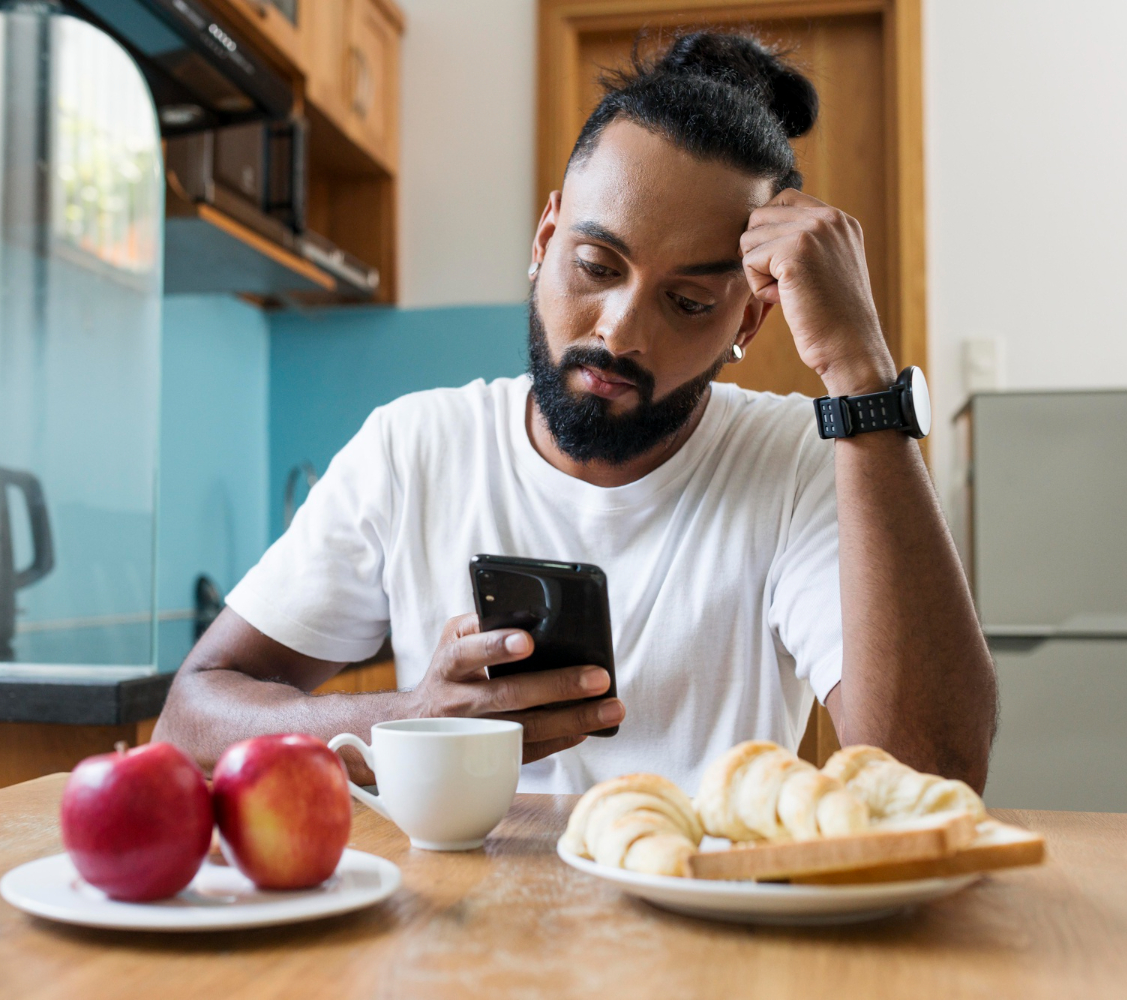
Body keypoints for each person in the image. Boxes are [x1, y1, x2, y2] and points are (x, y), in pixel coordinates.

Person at [154, 31, 997, 794]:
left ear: (747, 320)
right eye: (596, 265)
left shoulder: (805, 466)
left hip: (707, 950)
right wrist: (414, 720)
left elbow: (932, 774)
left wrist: (861, 373)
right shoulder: (413, 448)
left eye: (690, 303)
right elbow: (189, 721)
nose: (621, 331)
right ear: (543, 241)